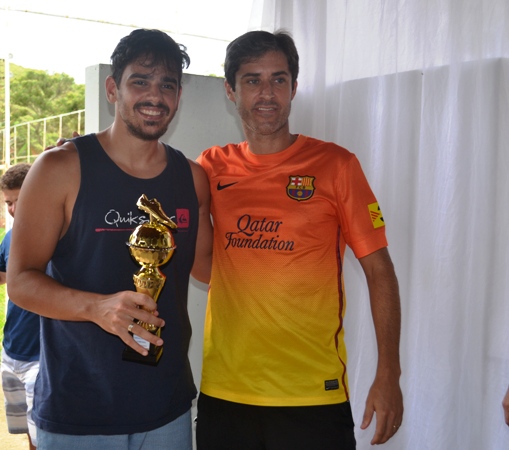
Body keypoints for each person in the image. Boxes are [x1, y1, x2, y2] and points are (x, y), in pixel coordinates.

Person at [195, 30, 403, 449]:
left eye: (279, 79)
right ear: (231, 91)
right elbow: (205, 267)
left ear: (293, 87)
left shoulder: (336, 165)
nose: (266, 93)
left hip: (312, 396)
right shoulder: (210, 167)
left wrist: (389, 373)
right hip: (225, 394)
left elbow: (379, 270)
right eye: (252, 80)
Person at [7, 29, 212, 450]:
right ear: (112, 89)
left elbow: (212, 268)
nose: (155, 95)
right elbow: (21, 281)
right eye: (141, 80)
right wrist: (97, 308)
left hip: (167, 408)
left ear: (178, 96)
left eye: (168, 84)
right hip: (78, 412)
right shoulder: (60, 168)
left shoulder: (192, 178)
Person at [0, 163, 38, 450]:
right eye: (8, 202)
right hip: (12, 350)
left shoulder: (61, 236)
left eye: (19, 200)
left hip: (43, 356)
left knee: (44, 431)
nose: (13, 209)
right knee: (26, 429)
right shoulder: (10, 237)